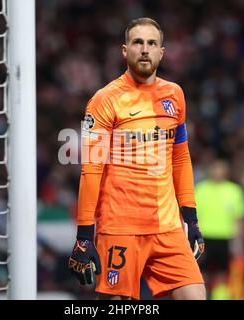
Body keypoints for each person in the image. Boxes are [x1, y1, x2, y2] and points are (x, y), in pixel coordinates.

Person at [68, 17, 206, 300]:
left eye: (152, 43)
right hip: (120, 227)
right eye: (138, 42)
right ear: (124, 50)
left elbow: (180, 158)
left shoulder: (175, 95)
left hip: (167, 227)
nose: (145, 49)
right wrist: (84, 235)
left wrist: (191, 220)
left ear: (161, 52)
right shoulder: (104, 100)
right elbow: (91, 169)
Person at [195, 159, 244, 299]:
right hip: (203, 237)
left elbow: (239, 217)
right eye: (215, 168)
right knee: (201, 272)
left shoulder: (234, 191)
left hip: (225, 237)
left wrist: (239, 240)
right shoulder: (200, 189)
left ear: (226, 172)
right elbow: (192, 216)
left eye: (221, 169)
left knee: (222, 273)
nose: (217, 172)